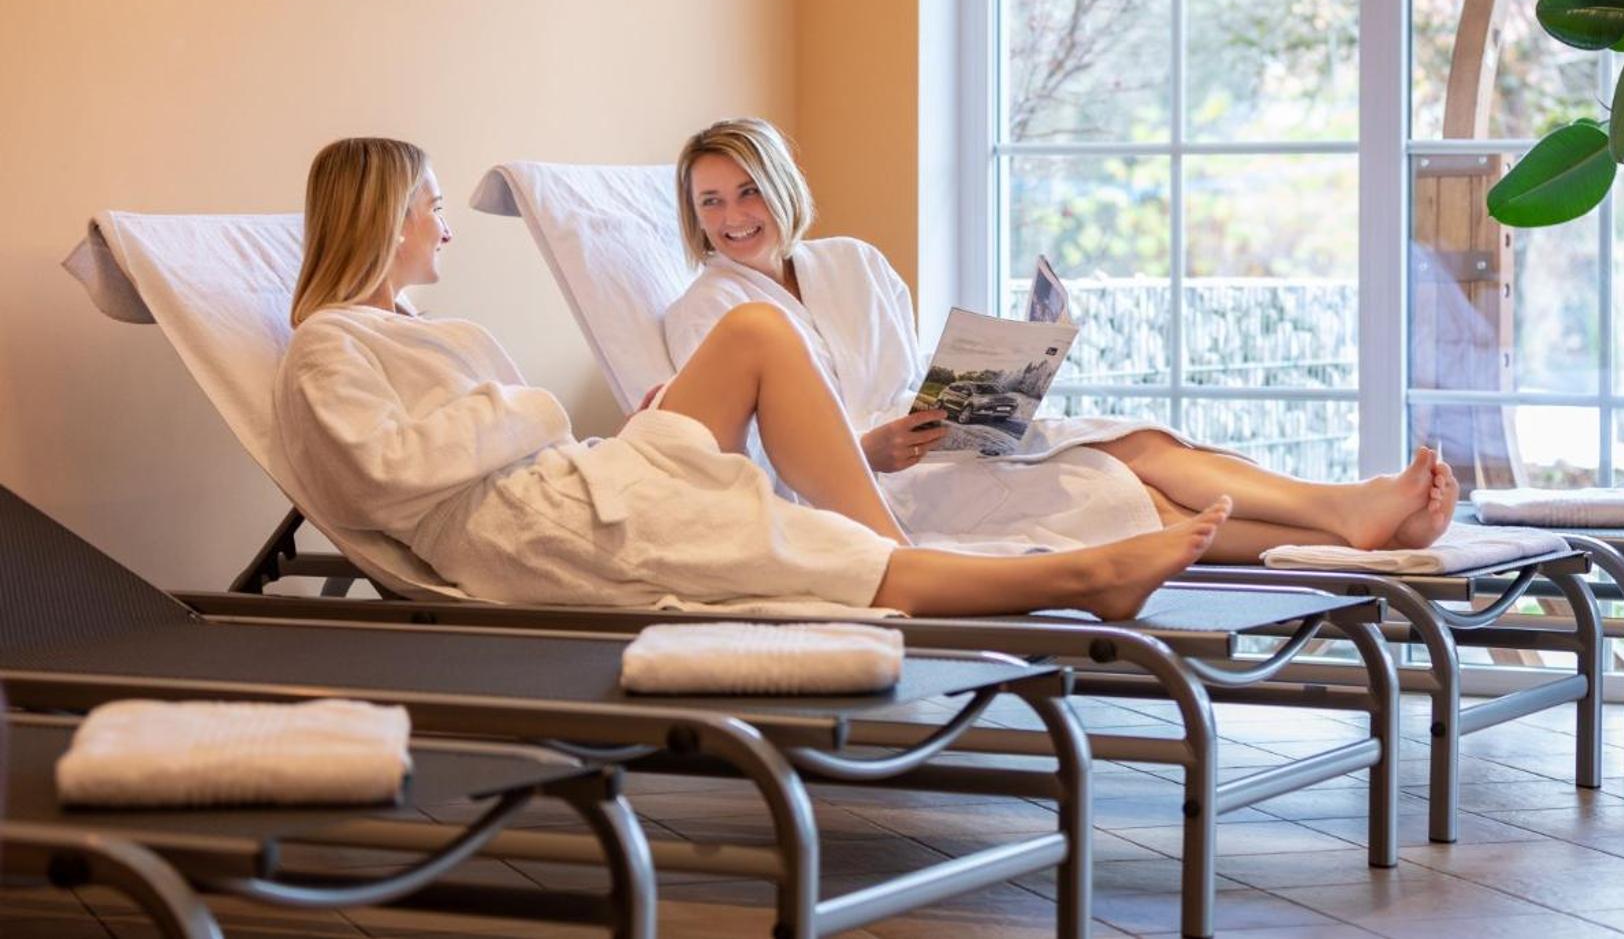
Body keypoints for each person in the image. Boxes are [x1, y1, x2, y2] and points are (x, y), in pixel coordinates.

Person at [273, 137, 1229, 619]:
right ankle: (1084, 577)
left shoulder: (413, 329)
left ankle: (899, 544)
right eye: (432, 208)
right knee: (812, 547)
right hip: (534, 528)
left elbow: (494, 437)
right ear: (387, 217)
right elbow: (374, 476)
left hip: (575, 479)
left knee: (757, 331)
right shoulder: (327, 344)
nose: (444, 227)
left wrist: (583, 431)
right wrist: (528, 410)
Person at [661, 119, 1457, 565]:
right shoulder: (708, 313)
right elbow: (737, 470)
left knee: (1134, 441)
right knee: (1119, 493)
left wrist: (977, 394)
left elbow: (907, 378)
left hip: (940, 447)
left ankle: (1343, 510)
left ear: (781, 187)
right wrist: (868, 449)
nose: (733, 216)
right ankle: (1349, 531)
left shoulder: (852, 263)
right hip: (864, 494)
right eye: (711, 202)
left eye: (747, 190)